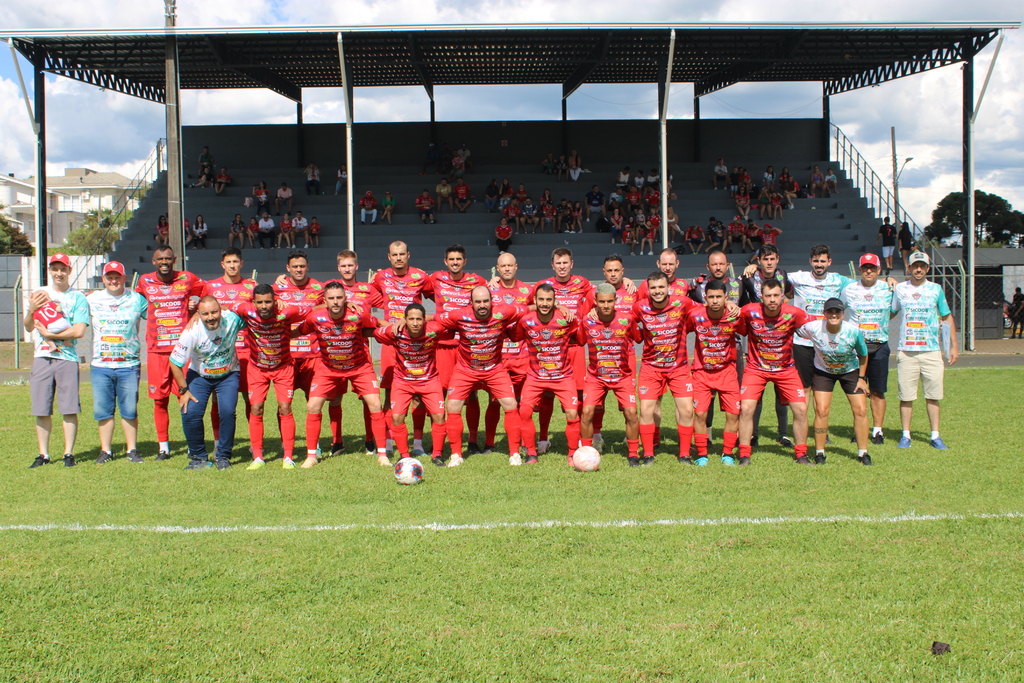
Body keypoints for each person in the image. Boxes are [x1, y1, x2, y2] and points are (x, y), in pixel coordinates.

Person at [436, 286, 529, 467]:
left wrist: (559, 306)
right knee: (453, 405)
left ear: (491, 301)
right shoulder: (458, 315)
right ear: (471, 303)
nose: (482, 305)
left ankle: (515, 453)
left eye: (485, 301)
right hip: (465, 370)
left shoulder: (504, 311)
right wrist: (402, 322)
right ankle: (456, 455)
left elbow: (530, 309)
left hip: (494, 369)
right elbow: (433, 319)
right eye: (478, 301)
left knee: (511, 404)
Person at [298, 282, 388, 467]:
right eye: (331, 298)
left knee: (375, 404)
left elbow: (377, 323)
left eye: (339, 298)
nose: (336, 302)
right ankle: (311, 457)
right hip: (328, 369)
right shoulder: (315, 317)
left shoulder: (358, 315)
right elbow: (298, 331)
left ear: (346, 299)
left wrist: (398, 327)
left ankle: (382, 454)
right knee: (313, 405)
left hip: (359, 367)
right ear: (325, 301)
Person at [135, 247, 205, 460]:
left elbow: (208, 290)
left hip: (182, 350)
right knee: (159, 400)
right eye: (160, 259)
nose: (164, 262)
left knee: (186, 397)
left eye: (168, 259)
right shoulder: (144, 281)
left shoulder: (187, 277)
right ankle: (163, 448)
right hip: (156, 351)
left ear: (174, 260)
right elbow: (134, 302)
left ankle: (193, 446)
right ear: (153, 261)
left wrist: (196, 307)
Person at [737, 279, 812, 465]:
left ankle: (801, 454)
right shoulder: (749, 311)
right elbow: (734, 316)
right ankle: (744, 454)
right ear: (761, 297)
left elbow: (816, 328)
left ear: (782, 297)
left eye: (776, 295)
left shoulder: (795, 313)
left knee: (801, 410)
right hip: (756, 369)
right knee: (746, 408)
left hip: (785, 369)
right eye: (768, 296)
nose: (772, 300)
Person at [25, 253, 90, 468]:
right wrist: (32, 310)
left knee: (69, 408)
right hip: (42, 357)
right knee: (41, 408)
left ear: (69, 271)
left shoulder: (78, 297)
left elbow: (79, 331)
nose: (59, 273)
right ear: (49, 271)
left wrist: (52, 336)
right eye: (55, 269)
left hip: (67, 358)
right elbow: (28, 326)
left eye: (63, 269)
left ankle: (68, 453)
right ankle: (43, 454)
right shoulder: (40, 294)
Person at [892, 251, 958, 450]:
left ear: (927, 269)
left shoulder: (936, 289)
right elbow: (890, 312)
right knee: (906, 397)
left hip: (931, 351)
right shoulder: (900, 289)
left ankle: (935, 435)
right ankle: (906, 435)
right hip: (907, 351)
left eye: (922, 266)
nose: (918, 269)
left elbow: (946, 317)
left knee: (933, 395)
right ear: (909, 268)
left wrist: (954, 346)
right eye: (915, 266)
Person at [425, 246, 489, 455]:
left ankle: (472, 440)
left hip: (467, 345)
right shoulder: (435, 278)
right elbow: (417, 290)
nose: (455, 262)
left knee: (471, 395)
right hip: (443, 345)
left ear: (464, 261)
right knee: (441, 395)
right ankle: (442, 441)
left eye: (458, 259)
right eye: (451, 259)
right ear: (445, 261)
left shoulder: (476, 281)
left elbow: (491, 297)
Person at [235, 284, 305, 469]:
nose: (264, 306)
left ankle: (288, 457)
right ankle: (258, 457)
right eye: (260, 302)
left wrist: (348, 306)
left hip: (283, 367)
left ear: (275, 301)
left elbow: (313, 310)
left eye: (268, 301)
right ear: (253, 302)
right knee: (256, 408)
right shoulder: (246, 309)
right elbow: (225, 308)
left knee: (285, 407)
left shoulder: (287, 311)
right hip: (257, 369)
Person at [373, 241, 433, 456]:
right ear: (388, 257)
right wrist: (385, 322)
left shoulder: (421, 276)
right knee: (390, 394)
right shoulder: (380, 277)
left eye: (402, 254)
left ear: (409, 255)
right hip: (393, 342)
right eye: (394, 255)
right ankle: (389, 442)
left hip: (416, 342)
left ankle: (417, 443)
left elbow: (439, 297)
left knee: (418, 393)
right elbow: (368, 295)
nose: (398, 258)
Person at [169, 296, 244, 470]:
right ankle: (198, 457)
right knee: (189, 412)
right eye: (205, 314)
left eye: (214, 312)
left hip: (228, 374)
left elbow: (254, 315)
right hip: (200, 376)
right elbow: (174, 362)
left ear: (221, 311)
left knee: (227, 412)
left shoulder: (232, 319)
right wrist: (184, 391)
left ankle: (224, 456)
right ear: (199, 314)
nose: (211, 317)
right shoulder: (192, 331)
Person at [633, 271, 699, 466]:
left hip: (678, 368)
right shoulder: (640, 307)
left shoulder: (683, 303)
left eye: (661, 287)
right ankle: (648, 455)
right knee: (646, 411)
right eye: (653, 288)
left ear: (668, 287)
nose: (657, 291)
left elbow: (705, 310)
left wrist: (729, 304)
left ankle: (685, 454)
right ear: (648, 290)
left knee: (687, 411)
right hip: (650, 368)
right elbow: (625, 319)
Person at [796, 297, 871, 465]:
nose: (834, 315)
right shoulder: (813, 328)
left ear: (843, 314)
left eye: (837, 312)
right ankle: (820, 453)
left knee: (860, 410)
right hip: (824, 372)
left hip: (849, 371)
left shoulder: (853, 331)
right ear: (824, 314)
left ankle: (863, 453)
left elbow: (864, 354)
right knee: (821, 411)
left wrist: (861, 378)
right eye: (830, 312)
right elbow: (793, 328)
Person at [86, 261, 148, 464]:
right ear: (103, 279)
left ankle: (132, 450)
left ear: (124, 278)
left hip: (128, 364)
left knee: (129, 409)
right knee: (103, 410)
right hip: (101, 365)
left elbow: (158, 315)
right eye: (109, 277)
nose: (113, 280)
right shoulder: (92, 299)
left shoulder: (137, 299)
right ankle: (106, 451)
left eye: (117, 277)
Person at [374, 304, 452, 465]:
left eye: (419, 319)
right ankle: (404, 455)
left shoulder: (434, 329)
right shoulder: (395, 331)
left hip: (429, 380)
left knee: (439, 415)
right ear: (405, 320)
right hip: (402, 382)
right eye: (411, 319)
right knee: (397, 416)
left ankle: (437, 454)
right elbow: (376, 332)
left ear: (424, 320)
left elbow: (451, 322)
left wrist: (431, 317)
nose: (415, 323)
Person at [514, 284, 581, 465]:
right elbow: (516, 336)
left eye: (549, 300)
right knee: (525, 411)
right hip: (536, 376)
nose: (545, 303)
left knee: (572, 412)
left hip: (563, 376)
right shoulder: (526, 320)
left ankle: (573, 454)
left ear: (555, 302)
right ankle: (531, 453)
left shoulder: (566, 318)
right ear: (535, 300)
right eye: (541, 299)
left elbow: (579, 338)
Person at [579, 283, 640, 462]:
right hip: (596, 376)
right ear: (595, 302)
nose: (606, 305)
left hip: (622, 376)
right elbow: (580, 341)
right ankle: (587, 452)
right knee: (587, 412)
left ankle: (633, 454)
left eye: (609, 301)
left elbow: (638, 338)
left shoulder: (627, 320)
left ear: (616, 300)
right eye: (602, 302)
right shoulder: (587, 321)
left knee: (631, 413)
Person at [686, 279, 746, 465]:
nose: (715, 300)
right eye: (711, 297)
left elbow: (745, 331)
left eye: (719, 297)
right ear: (705, 298)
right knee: (701, 414)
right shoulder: (696, 315)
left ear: (725, 297)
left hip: (727, 371)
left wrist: (737, 309)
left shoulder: (734, 316)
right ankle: (702, 455)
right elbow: (683, 330)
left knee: (733, 414)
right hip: (702, 372)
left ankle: (727, 453)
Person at [841, 253, 896, 445]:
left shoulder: (888, 287)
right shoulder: (849, 289)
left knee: (878, 390)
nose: (869, 271)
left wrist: (882, 322)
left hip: (880, 344)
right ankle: (860, 427)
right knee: (858, 390)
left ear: (879, 270)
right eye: (865, 267)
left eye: (872, 267)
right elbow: (839, 310)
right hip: (856, 347)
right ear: (860, 270)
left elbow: (895, 308)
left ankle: (877, 430)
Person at [203, 247, 256, 440]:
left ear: (241, 264)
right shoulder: (210, 287)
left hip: (248, 352)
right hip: (219, 353)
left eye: (236, 262)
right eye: (229, 262)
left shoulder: (251, 287)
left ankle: (254, 443)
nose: (232, 265)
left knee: (251, 399)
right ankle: (219, 443)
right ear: (222, 264)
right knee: (219, 401)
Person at [273, 250, 326, 436]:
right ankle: (284, 442)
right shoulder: (276, 288)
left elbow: (337, 299)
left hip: (312, 354)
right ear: (288, 268)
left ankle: (315, 443)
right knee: (283, 403)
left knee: (313, 401)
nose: (299, 269)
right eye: (294, 266)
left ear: (308, 267)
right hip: (286, 355)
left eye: (302, 266)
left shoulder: (319, 288)